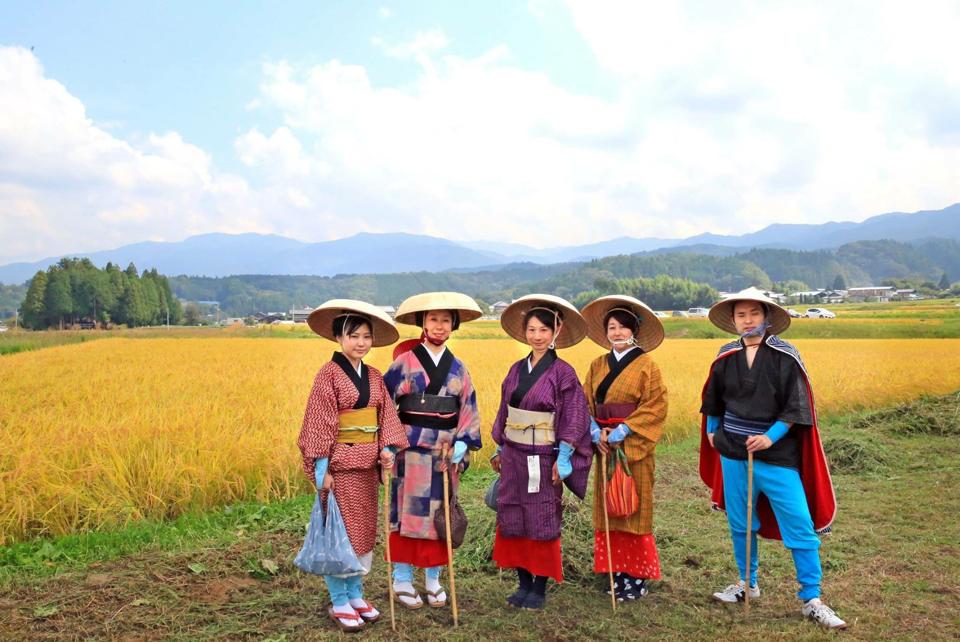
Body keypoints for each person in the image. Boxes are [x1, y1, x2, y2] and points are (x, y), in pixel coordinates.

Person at [698, 287, 845, 630]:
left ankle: (812, 598)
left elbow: (796, 406)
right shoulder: (725, 355)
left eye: (754, 313)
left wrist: (769, 437)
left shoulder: (785, 355)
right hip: (732, 452)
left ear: (766, 317)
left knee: (800, 524)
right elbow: (713, 400)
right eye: (741, 315)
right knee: (740, 522)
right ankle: (747, 583)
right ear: (733, 320)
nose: (747, 320)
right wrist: (713, 432)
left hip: (777, 454)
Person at [297, 299, 408, 633]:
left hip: (366, 469)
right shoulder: (328, 375)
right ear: (338, 338)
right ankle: (339, 598)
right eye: (353, 336)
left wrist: (387, 448)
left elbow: (386, 417)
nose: (360, 343)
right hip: (340, 469)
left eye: (366, 336)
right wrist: (322, 470)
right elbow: (319, 423)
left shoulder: (373, 376)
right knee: (339, 535)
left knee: (363, 534)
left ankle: (356, 593)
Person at [489, 294, 592, 610]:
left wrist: (564, 456)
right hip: (513, 455)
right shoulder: (515, 369)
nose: (537, 336)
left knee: (542, 516)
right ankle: (522, 582)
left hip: (544, 458)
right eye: (531, 330)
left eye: (544, 330)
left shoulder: (564, 373)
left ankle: (539, 587)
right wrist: (499, 446)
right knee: (513, 514)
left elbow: (575, 415)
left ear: (556, 331)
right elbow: (505, 410)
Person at [382, 292, 483, 609]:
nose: (439, 326)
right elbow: (383, 404)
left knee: (441, 517)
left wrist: (464, 441)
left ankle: (433, 579)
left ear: (454, 325)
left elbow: (468, 407)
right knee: (405, 516)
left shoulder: (459, 368)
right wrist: (388, 441)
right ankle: (401, 578)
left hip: (444, 455)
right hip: (409, 454)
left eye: (445, 320)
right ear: (423, 324)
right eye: (433, 319)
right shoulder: (404, 363)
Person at [581, 295, 668, 601]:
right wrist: (594, 431)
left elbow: (655, 406)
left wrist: (625, 430)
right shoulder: (597, 365)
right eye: (612, 328)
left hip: (633, 447)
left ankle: (637, 577)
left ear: (634, 331)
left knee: (634, 509)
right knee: (610, 508)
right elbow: (583, 402)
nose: (617, 333)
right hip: (604, 445)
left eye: (623, 327)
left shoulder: (647, 365)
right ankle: (616, 572)